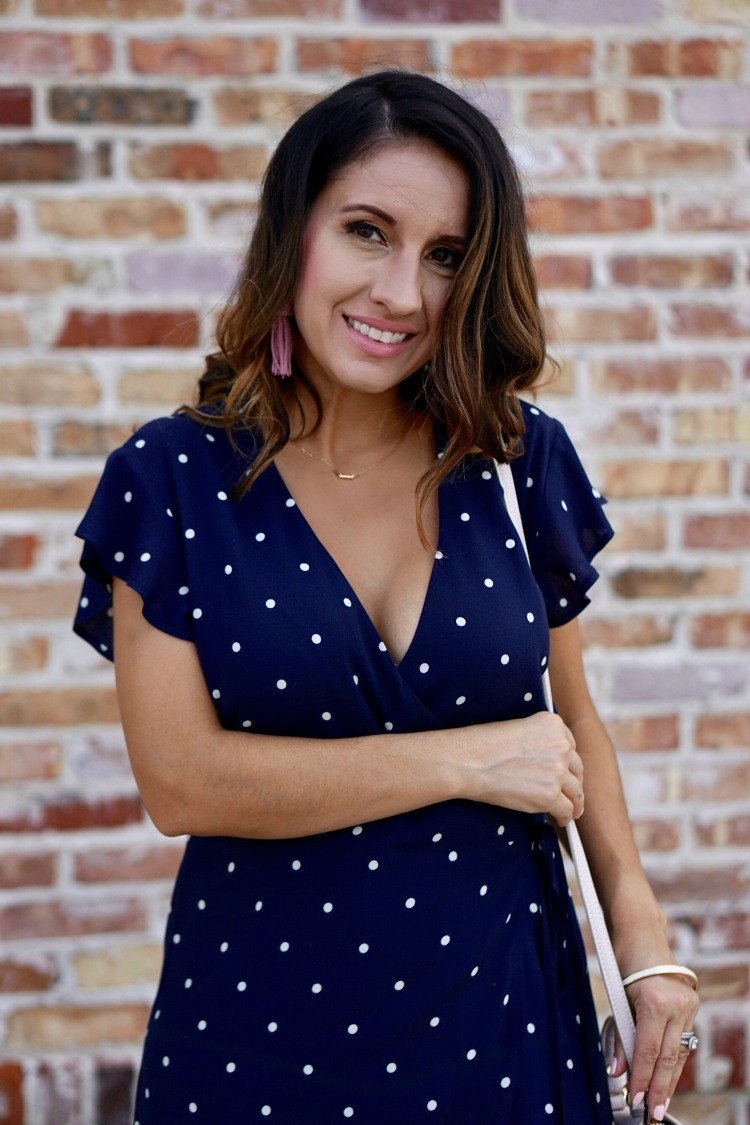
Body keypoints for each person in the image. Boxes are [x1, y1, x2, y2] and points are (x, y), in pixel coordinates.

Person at [73, 69, 699, 1124]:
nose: (403, 294)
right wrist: (466, 759)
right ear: (295, 233)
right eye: (368, 231)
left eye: (446, 256)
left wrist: (644, 950)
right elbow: (182, 782)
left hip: (506, 1022)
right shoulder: (172, 481)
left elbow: (571, 722)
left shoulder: (514, 459)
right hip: (260, 1039)